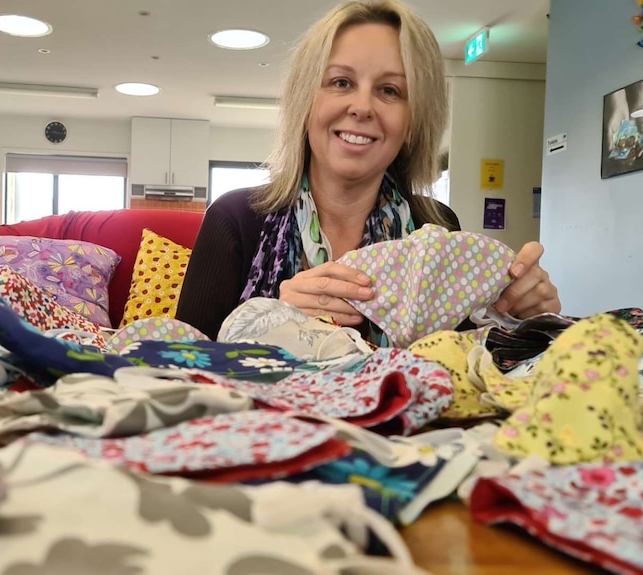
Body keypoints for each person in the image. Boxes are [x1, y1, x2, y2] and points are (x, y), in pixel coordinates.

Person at [176, 0, 561, 341]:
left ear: (414, 120)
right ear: (305, 101)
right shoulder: (234, 219)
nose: (362, 107)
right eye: (341, 82)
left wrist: (525, 316)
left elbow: (462, 361)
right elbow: (181, 364)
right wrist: (272, 316)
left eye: (390, 90)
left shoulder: (438, 228)